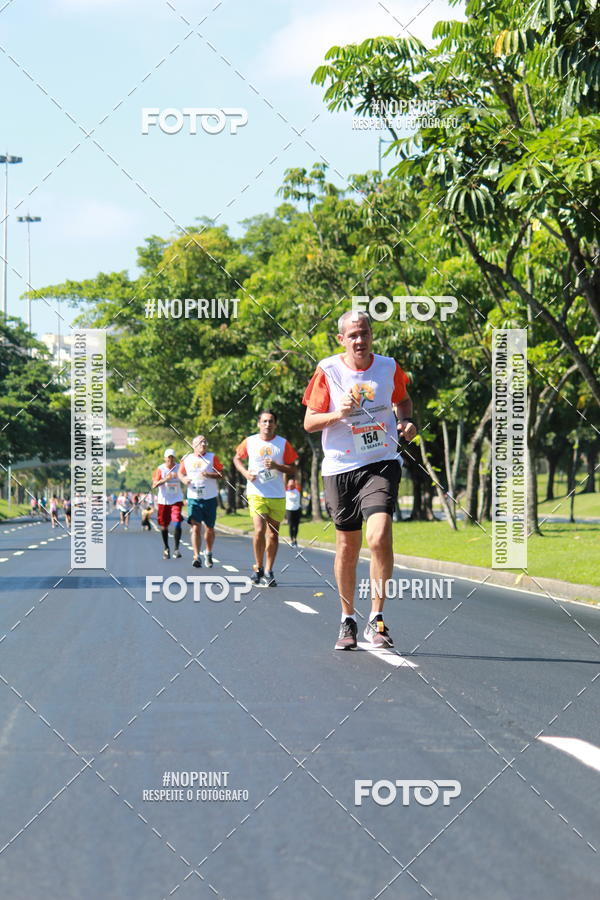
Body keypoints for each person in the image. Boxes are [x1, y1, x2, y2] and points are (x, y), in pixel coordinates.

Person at [303, 309, 417, 650]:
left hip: (381, 461)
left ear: (371, 335)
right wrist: (338, 413)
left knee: (379, 536)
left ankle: (377, 618)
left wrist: (406, 422)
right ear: (341, 339)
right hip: (340, 467)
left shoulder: (388, 367)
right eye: (352, 335)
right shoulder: (328, 370)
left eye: (364, 333)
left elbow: (403, 400)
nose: (359, 340)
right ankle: (347, 618)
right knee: (347, 547)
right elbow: (309, 422)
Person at [233, 411, 299, 587]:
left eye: (271, 421)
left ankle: (269, 570)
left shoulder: (282, 443)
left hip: (277, 494)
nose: (267, 424)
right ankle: (258, 567)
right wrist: (245, 473)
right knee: (259, 530)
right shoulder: (250, 441)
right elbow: (237, 458)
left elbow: (293, 469)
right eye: (264, 421)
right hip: (256, 492)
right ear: (258, 424)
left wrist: (277, 466)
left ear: (275, 424)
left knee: (273, 535)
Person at [179, 435, 224, 568]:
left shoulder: (212, 457)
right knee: (195, 527)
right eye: (200, 442)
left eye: (205, 442)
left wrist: (209, 475)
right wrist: (184, 479)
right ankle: (196, 556)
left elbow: (221, 474)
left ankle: (208, 552)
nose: (203, 444)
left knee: (209, 528)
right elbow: (180, 473)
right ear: (194, 445)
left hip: (210, 497)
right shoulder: (187, 459)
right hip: (193, 497)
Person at [152, 449, 184, 559]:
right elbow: (154, 485)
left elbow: (186, 477)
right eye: (168, 457)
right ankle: (166, 548)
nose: (170, 459)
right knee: (164, 525)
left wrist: (179, 476)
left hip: (177, 499)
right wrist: (166, 479)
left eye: (172, 457)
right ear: (164, 458)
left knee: (177, 521)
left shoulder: (179, 467)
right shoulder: (160, 469)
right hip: (164, 501)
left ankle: (176, 549)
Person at [285, 479, 302, 547]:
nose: (291, 485)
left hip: (297, 509)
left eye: (292, 483)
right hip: (289, 510)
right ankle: (291, 539)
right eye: (290, 483)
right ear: (288, 484)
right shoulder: (286, 491)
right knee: (291, 525)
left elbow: (297, 481)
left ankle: (295, 539)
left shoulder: (297, 490)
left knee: (296, 525)